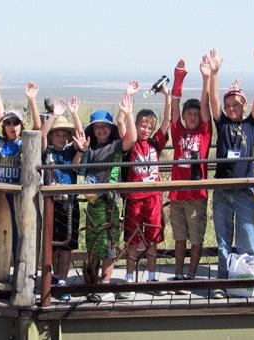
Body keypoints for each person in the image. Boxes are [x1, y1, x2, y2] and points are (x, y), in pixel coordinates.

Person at [207, 44, 254, 299]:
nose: (232, 108)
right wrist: (215, 73)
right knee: (223, 238)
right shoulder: (221, 124)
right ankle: (222, 281)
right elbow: (212, 100)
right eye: (229, 104)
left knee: (247, 235)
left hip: (243, 189)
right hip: (221, 189)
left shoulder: (251, 125)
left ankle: (245, 282)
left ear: (243, 106)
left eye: (237, 104)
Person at [0, 69, 42, 258]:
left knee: (19, 233)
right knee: (0, 232)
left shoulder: (24, 142)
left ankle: (18, 269)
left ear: (21, 126)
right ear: (4, 126)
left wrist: (32, 101)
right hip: (0, 194)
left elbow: (37, 128)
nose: (12, 127)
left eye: (16, 123)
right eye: (8, 123)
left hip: (19, 195)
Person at [79, 83, 138, 302]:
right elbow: (79, 168)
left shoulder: (115, 146)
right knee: (93, 241)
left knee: (109, 242)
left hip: (110, 202)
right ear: (92, 130)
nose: (101, 130)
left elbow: (131, 139)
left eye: (105, 126)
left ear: (111, 128)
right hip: (93, 203)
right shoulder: (90, 149)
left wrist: (128, 112)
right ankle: (93, 280)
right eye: (97, 127)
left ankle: (105, 283)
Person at [120, 81, 171, 300]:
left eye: (150, 127)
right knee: (132, 239)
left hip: (153, 198)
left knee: (152, 240)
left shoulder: (155, 144)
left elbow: (168, 122)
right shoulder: (131, 144)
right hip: (134, 198)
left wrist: (167, 96)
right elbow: (122, 123)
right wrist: (128, 99)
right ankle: (130, 279)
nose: (146, 130)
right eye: (143, 125)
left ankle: (151, 277)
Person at [167, 56, 212, 295]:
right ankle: (178, 274)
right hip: (177, 194)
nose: (194, 117)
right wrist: (178, 78)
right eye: (190, 114)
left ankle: (191, 275)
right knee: (179, 237)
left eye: (197, 114)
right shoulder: (178, 132)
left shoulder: (205, 133)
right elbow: (175, 104)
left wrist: (206, 78)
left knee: (196, 237)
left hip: (196, 194)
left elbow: (206, 106)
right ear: (184, 117)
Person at [40, 97, 86, 302]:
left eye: (63, 135)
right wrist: (54, 116)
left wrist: (74, 113)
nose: (60, 138)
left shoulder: (70, 152)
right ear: (52, 137)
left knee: (67, 244)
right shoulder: (46, 152)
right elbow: (40, 135)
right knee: (51, 243)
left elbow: (81, 137)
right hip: (51, 204)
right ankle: (51, 276)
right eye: (56, 134)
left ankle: (62, 280)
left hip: (70, 203)